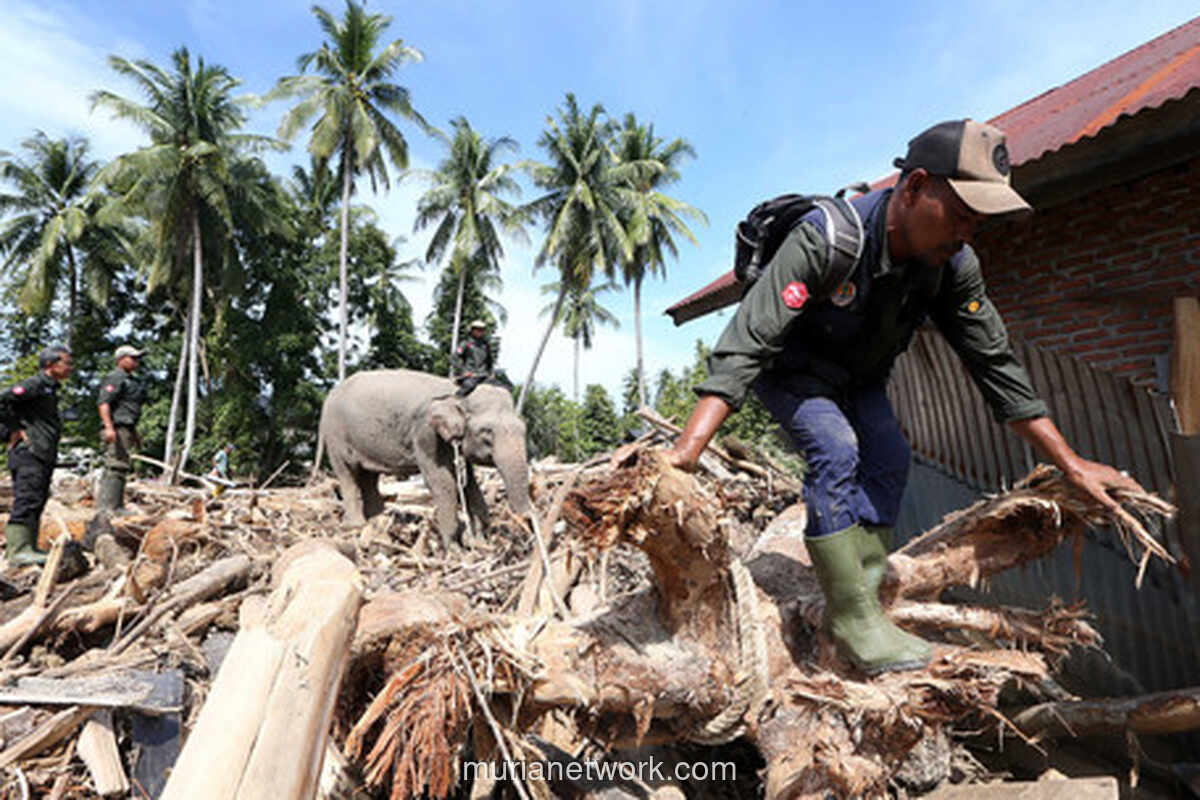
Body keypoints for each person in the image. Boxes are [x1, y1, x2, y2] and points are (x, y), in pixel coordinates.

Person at [668, 119, 1142, 675]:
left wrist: (1071, 463)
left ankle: (863, 601)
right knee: (836, 450)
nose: (966, 233)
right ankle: (851, 618)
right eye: (961, 214)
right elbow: (746, 342)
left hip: (860, 380)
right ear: (916, 187)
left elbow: (995, 365)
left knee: (891, 457)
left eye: (977, 222)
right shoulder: (827, 240)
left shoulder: (951, 266)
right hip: (793, 377)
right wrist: (688, 449)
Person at [0, 346, 73, 564]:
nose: (70, 367)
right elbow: (3, 399)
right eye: (66, 363)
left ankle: (29, 547)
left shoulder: (49, 388)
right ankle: (17, 550)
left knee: (37, 499)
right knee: (27, 498)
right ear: (50, 364)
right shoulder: (35, 384)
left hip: (42, 452)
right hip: (29, 453)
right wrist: (14, 428)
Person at [96, 344, 147, 512]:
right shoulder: (115, 378)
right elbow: (104, 403)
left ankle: (116, 505)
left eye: (138, 358)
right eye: (133, 358)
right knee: (115, 465)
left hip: (127, 427)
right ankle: (109, 507)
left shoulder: (131, 380)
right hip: (117, 426)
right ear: (120, 359)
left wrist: (135, 434)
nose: (136, 362)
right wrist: (108, 427)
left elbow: (129, 410)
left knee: (122, 465)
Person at [454, 320, 495, 397]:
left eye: (482, 330)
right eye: (478, 329)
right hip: (471, 375)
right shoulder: (466, 343)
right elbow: (455, 358)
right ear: (472, 330)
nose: (480, 331)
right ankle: (456, 398)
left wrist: (491, 372)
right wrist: (463, 371)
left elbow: (489, 360)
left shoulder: (485, 345)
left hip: (483, 375)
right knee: (469, 385)